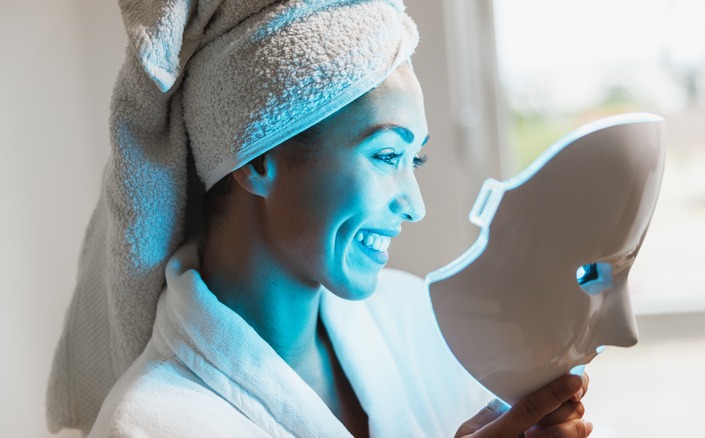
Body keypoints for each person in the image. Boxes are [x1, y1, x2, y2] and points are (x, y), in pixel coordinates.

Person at [47, 1, 592, 436]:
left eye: (415, 160)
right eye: (385, 156)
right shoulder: (150, 424)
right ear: (257, 158)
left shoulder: (420, 323)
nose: (414, 203)